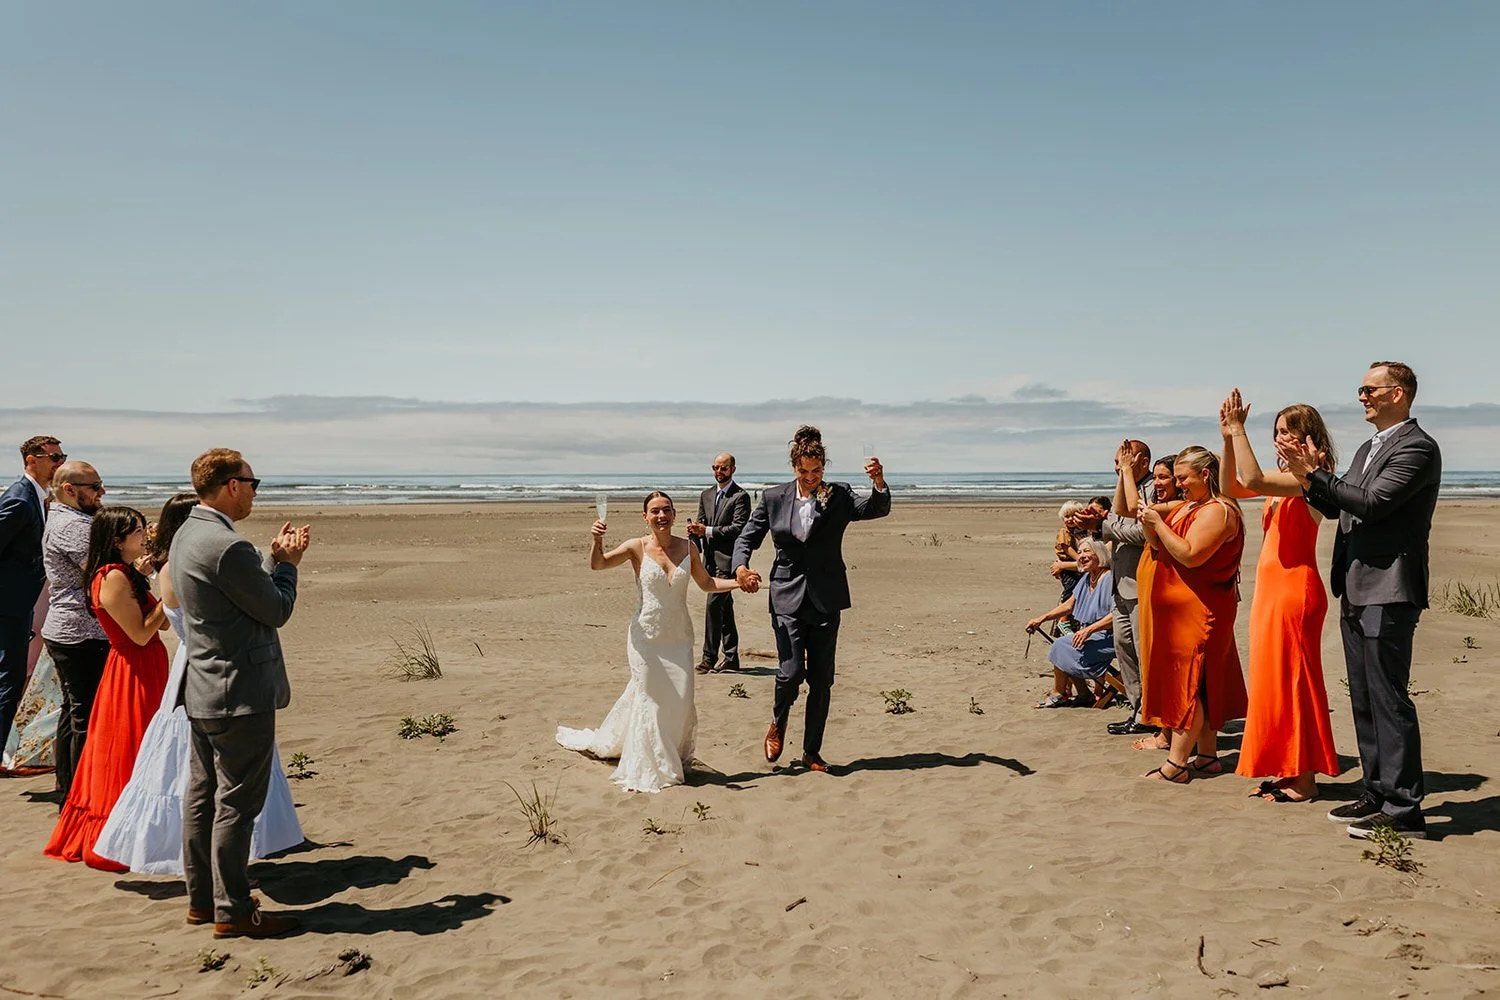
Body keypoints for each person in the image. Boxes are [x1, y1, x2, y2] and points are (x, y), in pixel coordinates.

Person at [93, 494, 304, 874]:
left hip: (188, 668)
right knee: (214, 776)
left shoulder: (175, 566)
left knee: (188, 774)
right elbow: (255, 606)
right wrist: (283, 566)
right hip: (212, 668)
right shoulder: (191, 565)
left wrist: (270, 561)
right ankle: (220, 867)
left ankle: (195, 861)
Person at [1279, 362, 1441, 839]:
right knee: (1365, 695)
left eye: (1368, 389)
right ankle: (1376, 790)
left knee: (1389, 698)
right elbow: (1338, 505)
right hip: (1354, 584)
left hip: (1390, 586)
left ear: (1398, 392)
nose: (1362, 397)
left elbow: (1372, 503)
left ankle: (1404, 809)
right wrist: (1306, 477)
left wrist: (1313, 472)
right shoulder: (1369, 447)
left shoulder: (1417, 447)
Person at [172, 449, 308, 938]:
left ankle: (202, 901)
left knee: (202, 797)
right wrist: (289, 566)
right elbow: (274, 610)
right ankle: (231, 909)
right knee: (236, 804)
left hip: (204, 686)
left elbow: (233, 592)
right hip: (239, 691)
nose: (255, 491)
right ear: (231, 485)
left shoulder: (189, 533)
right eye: (253, 482)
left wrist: (269, 557)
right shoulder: (226, 546)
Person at [557, 491, 741, 792]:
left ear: (674, 514)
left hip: (679, 639)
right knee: (652, 701)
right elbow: (598, 564)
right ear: (645, 517)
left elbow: (707, 583)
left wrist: (738, 582)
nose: (661, 516)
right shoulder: (636, 547)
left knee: (679, 702)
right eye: (655, 511)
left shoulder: (689, 547)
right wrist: (596, 540)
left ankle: (668, 753)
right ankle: (656, 764)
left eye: (666, 510)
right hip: (646, 640)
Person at [733, 426, 891, 772]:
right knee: (790, 673)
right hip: (786, 594)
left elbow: (875, 509)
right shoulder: (773, 498)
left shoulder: (839, 495)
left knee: (821, 680)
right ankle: (778, 721)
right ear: (794, 467)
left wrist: (878, 482)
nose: (809, 477)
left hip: (826, 596)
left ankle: (811, 752)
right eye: (803, 471)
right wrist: (741, 568)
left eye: (816, 471)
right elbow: (747, 537)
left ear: (824, 468)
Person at [1221, 391, 1342, 803]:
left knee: (1296, 683)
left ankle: (1304, 777)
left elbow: (1252, 480)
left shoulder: (1310, 479)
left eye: (1288, 431)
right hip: (1271, 593)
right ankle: (1286, 766)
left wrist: (1240, 429)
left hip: (1295, 591)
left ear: (1309, 437)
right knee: (1273, 683)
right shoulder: (1285, 481)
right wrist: (1226, 439)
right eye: (1276, 431)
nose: (1279, 438)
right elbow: (1231, 486)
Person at [44, 506, 170, 868]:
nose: (144, 535)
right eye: (137, 531)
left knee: (144, 745)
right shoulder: (111, 577)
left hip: (145, 666)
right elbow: (141, 633)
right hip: (131, 670)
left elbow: (157, 629)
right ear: (117, 541)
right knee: (129, 747)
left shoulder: (126, 573)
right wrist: (171, 597)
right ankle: (119, 834)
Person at [1136, 446, 1249, 784]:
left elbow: (1191, 555)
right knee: (1202, 680)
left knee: (1192, 682)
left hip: (1199, 609)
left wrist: (1157, 521)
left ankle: (1177, 764)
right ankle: (1207, 757)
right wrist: (1151, 524)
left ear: (1205, 474)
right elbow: (1157, 545)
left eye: (1183, 478)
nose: (1178, 484)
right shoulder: (1191, 506)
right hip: (1181, 610)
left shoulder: (1217, 511)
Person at [41, 461, 111, 797]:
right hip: (79, 631)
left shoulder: (72, 518)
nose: (102, 492)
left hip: (70, 628)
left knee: (74, 709)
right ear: (69, 490)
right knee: (85, 713)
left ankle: (68, 785)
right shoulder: (73, 526)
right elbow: (102, 573)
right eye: (95, 486)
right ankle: (79, 792)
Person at [1077, 440, 1154, 735]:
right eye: (1116, 462)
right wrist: (1095, 528)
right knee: (1125, 651)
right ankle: (1138, 710)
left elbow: (1141, 533)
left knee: (1141, 651)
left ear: (1143, 462)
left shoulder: (1150, 491)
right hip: (1119, 585)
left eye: (1125, 461)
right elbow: (1118, 535)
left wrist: (1102, 526)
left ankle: (1150, 711)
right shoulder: (1123, 489)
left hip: (1139, 585)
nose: (1118, 467)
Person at [1, 436, 62, 755]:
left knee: (13, 675)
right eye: (54, 457)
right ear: (31, 460)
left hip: (22, 601)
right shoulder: (20, 499)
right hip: (10, 603)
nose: (59, 463)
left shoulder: (39, 497)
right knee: (9, 677)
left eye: (62, 457)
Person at [1026, 537, 1121, 709]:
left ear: (1099, 555)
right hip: (1092, 633)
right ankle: (1083, 693)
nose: (1081, 556)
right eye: (1079, 553)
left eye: (1087, 552)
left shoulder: (1109, 579)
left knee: (1063, 645)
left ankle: (1059, 693)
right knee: (1065, 644)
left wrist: (1089, 630)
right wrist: (1042, 618)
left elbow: (1117, 615)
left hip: (1111, 636)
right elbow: (1069, 605)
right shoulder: (1087, 579)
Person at [687, 453, 751, 673]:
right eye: (715, 467)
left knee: (714, 605)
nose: (718, 472)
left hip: (729, 560)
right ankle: (731, 656)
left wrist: (707, 531)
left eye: (723, 468)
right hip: (709, 559)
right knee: (724, 607)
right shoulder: (706, 495)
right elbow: (702, 523)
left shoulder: (740, 497)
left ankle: (709, 657)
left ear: (733, 469)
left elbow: (738, 529)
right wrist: (696, 532)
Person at [1050, 500, 1087, 605]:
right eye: (1067, 516)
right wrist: (1079, 558)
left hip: (1077, 562)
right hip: (1068, 562)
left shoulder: (1081, 532)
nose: (1070, 519)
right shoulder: (1064, 532)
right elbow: (1068, 548)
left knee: (1082, 587)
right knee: (1071, 588)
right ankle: (1064, 616)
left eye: (1073, 516)